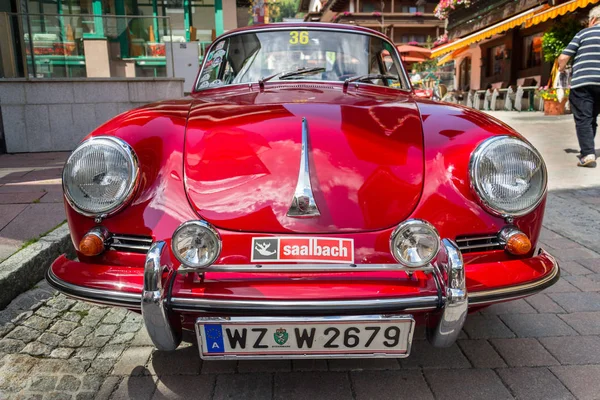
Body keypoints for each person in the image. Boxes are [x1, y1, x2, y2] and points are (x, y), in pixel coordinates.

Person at [558, 6, 600, 168]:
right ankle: (588, 150)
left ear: (593, 20)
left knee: (584, 118)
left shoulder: (582, 34)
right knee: (592, 117)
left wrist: (562, 70)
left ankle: (588, 153)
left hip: (583, 83)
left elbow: (563, 57)